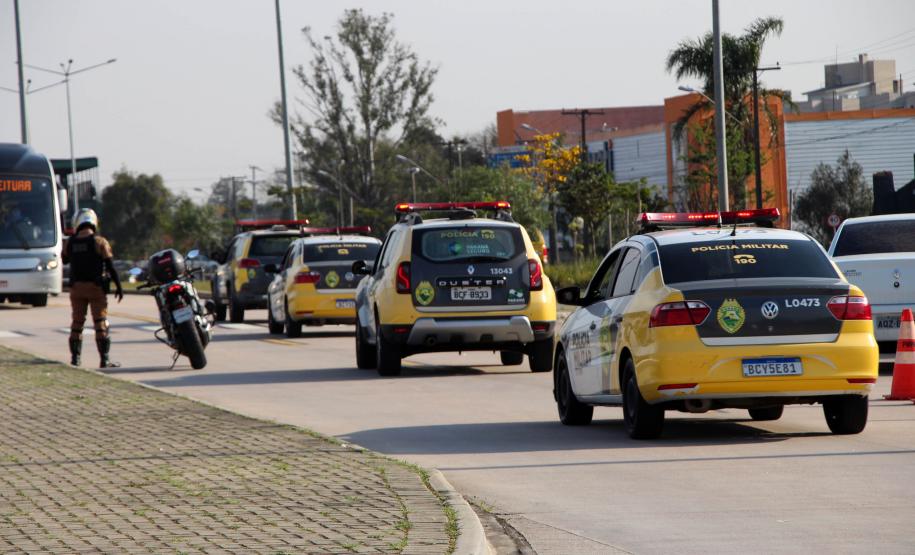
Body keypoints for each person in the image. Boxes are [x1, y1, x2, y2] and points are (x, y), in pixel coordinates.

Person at [62, 209, 124, 368]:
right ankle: (104, 359)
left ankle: (75, 359)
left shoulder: (70, 242)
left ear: (77, 222)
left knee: (77, 323)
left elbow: (64, 260)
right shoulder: (100, 242)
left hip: (76, 289)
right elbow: (110, 266)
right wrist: (119, 286)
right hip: (96, 289)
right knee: (100, 322)